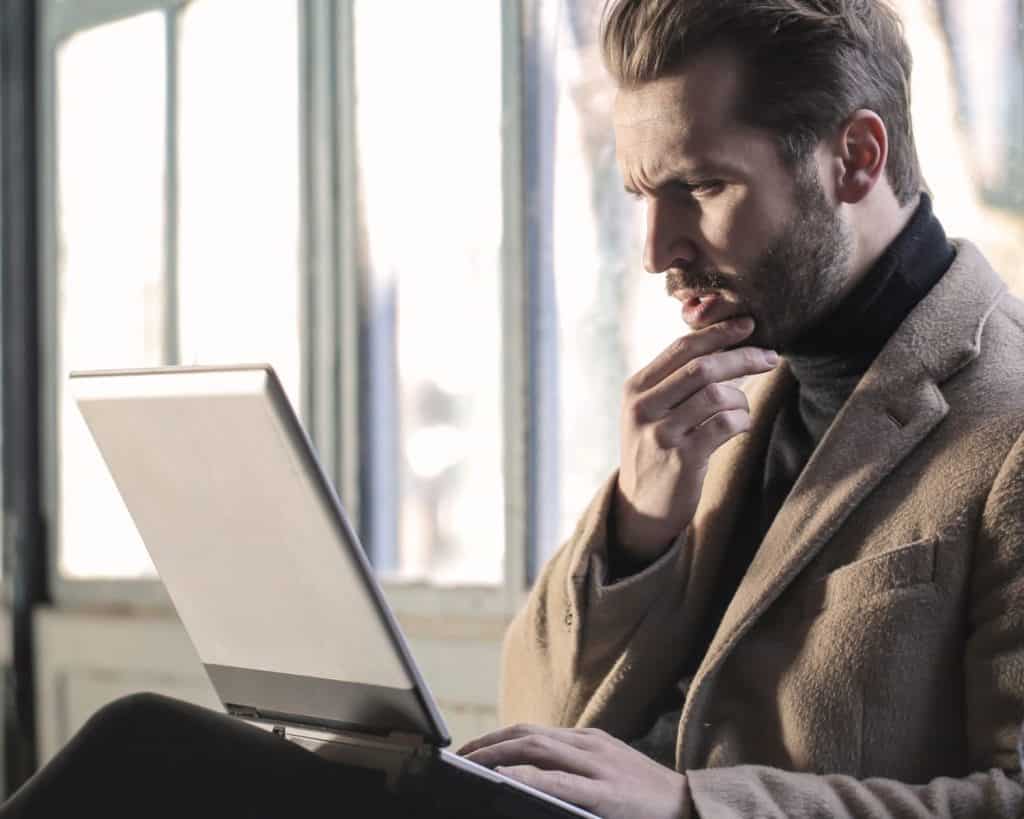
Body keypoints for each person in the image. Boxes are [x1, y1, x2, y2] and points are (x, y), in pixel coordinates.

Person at [2, 1, 1022, 817]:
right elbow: (536, 715)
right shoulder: (731, 387)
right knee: (156, 753)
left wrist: (688, 805)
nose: (657, 250)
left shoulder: (1004, 426)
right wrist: (638, 525)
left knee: (148, 750)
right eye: (642, 195)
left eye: (701, 187)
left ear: (855, 157)